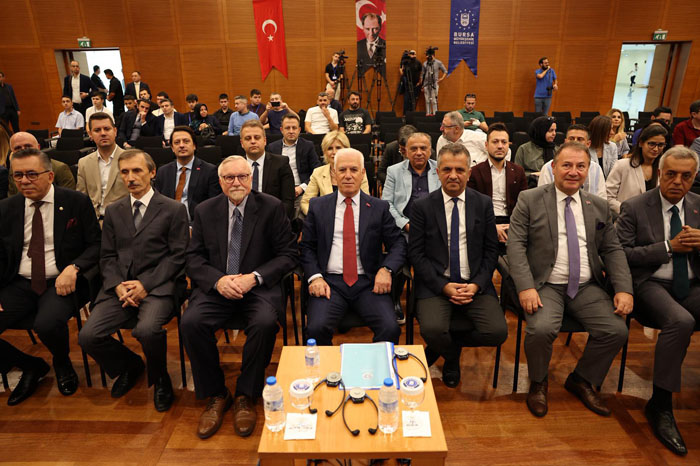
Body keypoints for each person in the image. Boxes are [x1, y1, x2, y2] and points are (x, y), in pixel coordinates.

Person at [507, 142, 634, 418]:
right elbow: (515, 246)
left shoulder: (598, 206)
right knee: (541, 330)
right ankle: (538, 382)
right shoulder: (529, 199)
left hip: (586, 286)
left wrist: (624, 289)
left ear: (588, 170)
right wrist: (526, 287)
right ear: (553, 168)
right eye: (566, 165)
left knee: (616, 331)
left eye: (580, 166)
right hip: (545, 284)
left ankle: (582, 379)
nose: (573, 172)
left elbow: (612, 249)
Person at [181, 155, 297, 438]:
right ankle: (217, 394)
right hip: (219, 288)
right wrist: (218, 281)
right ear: (220, 181)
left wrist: (254, 277)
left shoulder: (271, 207)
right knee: (191, 323)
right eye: (229, 177)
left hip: (256, 288)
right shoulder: (205, 210)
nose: (236, 182)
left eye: (242, 176)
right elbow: (193, 258)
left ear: (251, 179)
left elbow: (288, 254)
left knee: (265, 323)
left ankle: (247, 394)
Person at [79, 149, 189, 411]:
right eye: (125, 172)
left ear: (152, 173)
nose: (131, 177)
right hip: (120, 287)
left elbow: (178, 256)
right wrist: (117, 285)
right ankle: (130, 365)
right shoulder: (114, 210)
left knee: (147, 330)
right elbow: (107, 256)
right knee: (88, 336)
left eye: (137, 171)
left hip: (158, 287)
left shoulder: (173, 209)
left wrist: (145, 285)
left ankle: (160, 378)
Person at [615, 146, 700, 456]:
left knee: (684, 317)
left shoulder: (698, 205)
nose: (677, 181)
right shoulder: (635, 206)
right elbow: (620, 254)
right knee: (681, 321)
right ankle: (661, 405)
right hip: (650, 283)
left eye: (686, 176)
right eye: (671, 174)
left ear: (694, 177)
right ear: (659, 173)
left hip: (692, 283)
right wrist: (667, 247)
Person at [0, 148, 101, 405]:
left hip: (61, 281)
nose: (24, 181)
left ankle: (62, 361)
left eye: (32, 174)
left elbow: (96, 244)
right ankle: (30, 365)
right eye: (18, 175)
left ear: (50, 176)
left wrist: (74, 267)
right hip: (18, 282)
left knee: (46, 324)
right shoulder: (7, 208)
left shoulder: (76, 202)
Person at [409, 142, 506, 387]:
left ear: (469, 173)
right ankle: (451, 357)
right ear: (437, 172)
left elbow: (491, 250)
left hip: (474, 283)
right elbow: (416, 254)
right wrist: (443, 286)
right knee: (432, 330)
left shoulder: (483, 203)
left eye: (460, 170)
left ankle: (441, 349)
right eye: (447, 169)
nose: (453, 175)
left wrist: (476, 285)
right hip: (436, 285)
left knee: (497, 332)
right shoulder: (422, 207)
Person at [300, 148, 406, 345]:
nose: (348, 175)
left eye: (354, 170)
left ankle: (378, 365)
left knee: (390, 328)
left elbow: (398, 243)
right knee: (315, 329)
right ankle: (328, 366)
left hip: (368, 282)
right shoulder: (318, 206)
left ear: (363, 173)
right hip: (329, 282)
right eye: (342, 170)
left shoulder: (379, 207)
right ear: (334, 173)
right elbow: (306, 247)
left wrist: (386, 269)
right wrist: (315, 277)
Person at [468, 123, 527, 249]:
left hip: (512, 222)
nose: (500, 146)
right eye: (495, 142)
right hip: (484, 223)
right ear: (486, 145)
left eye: (504, 142)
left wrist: (513, 226)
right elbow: (472, 207)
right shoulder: (475, 172)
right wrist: (491, 227)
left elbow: (523, 205)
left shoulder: (518, 171)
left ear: (508, 145)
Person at [154, 126, 220, 222]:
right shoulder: (163, 172)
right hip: (167, 224)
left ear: (194, 146)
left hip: (197, 224)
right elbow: (157, 203)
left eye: (186, 141)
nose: (181, 145)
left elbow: (213, 206)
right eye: (177, 142)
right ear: (172, 148)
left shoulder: (210, 171)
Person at [382, 132, 441, 233]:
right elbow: (387, 203)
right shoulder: (393, 171)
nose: (419, 153)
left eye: (423, 148)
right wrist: (404, 224)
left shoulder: (441, 169)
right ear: (406, 152)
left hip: (435, 228)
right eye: (413, 149)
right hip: (404, 229)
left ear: (430, 151)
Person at [301, 131, 370, 216]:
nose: (334, 152)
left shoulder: (358, 172)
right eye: (330, 148)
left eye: (338, 148)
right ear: (325, 152)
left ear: (346, 149)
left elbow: (365, 201)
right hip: (326, 218)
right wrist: (318, 217)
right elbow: (306, 202)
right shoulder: (318, 173)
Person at [267, 114, 321, 217]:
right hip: (279, 192)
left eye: (294, 128)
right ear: (281, 130)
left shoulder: (308, 146)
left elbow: (317, 171)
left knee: (301, 216)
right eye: (287, 128)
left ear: (299, 130)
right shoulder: (272, 147)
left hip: (301, 191)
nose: (291, 131)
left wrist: (301, 187)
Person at [606, 125, 667, 215]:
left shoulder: (665, 169)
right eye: (651, 144)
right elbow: (608, 197)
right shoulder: (623, 165)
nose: (656, 149)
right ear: (641, 143)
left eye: (660, 145)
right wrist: (629, 211)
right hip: (626, 217)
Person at [77, 113, 129, 219]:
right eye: (97, 130)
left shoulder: (130, 159)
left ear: (115, 131)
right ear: (90, 134)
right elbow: (81, 198)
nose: (103, 133)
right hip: (94, 221)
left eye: (107, 129)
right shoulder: (84, 163)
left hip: (123, 220)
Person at [240, 120, 295, 219]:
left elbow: (288, 202)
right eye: (248, 138)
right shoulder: (236, 166)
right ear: (242, 143)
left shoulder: (281, 163)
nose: (253, 141)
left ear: (265, 141)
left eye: (257, 137)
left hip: (273, 219)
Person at [537, 124, 607, 199]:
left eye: (580, 139)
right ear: (565, 141)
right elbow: (541, 198)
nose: (575, 142)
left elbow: (602, 199)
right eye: (571, 138)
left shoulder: (596, 169)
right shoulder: (549, 168)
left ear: (588, 144)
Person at [7, 132, 76, 196]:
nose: (23, 150)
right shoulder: (13, 170)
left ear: (38, 147)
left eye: (28, 146)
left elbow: (68, 198)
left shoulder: (59, 168)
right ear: (12, 152)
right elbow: (12, 198)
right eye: (18, 148)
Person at [356, 12, 386, 76]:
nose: (371, 33)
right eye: (367, 29)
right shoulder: (357, 46)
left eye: (375, 29)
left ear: (380, 28)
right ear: (363, 28)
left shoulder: (386, 45)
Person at [420, 50, 447, 116]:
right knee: (427, 100)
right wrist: (422, 85)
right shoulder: (425, 63)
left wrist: (441, 78)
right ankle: (428, 113)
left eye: (428, 55)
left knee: (434, 100)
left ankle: (435, 114)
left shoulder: (438, 62)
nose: (426, 57)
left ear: (432, 55)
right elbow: (422, 75)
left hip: (434, 84)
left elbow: (445, 71)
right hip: (426, 84)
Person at [399, 50, 422, 115]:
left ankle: (412, 114)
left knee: (413, 100)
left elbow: (421, 72)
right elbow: (401, 71)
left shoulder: (418, 63)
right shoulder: (406, 62)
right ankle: (405, 114)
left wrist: (419, 82)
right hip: (407, 84)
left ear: (416, 55)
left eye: (413, 53)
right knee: (406, 100)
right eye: (411, 53)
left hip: (415, 84)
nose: (412, 55)